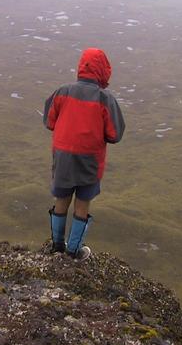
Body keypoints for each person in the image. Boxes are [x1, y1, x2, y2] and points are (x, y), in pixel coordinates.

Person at [43, 47, 125, 260]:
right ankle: (74, 251)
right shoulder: (104, 98)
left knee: (61, 198)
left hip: (63, 156)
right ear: (103, 71)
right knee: (82, 202)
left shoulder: (63, 92)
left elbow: (49, 121)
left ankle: (57, 247)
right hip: (89, 159)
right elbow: (115, 134)